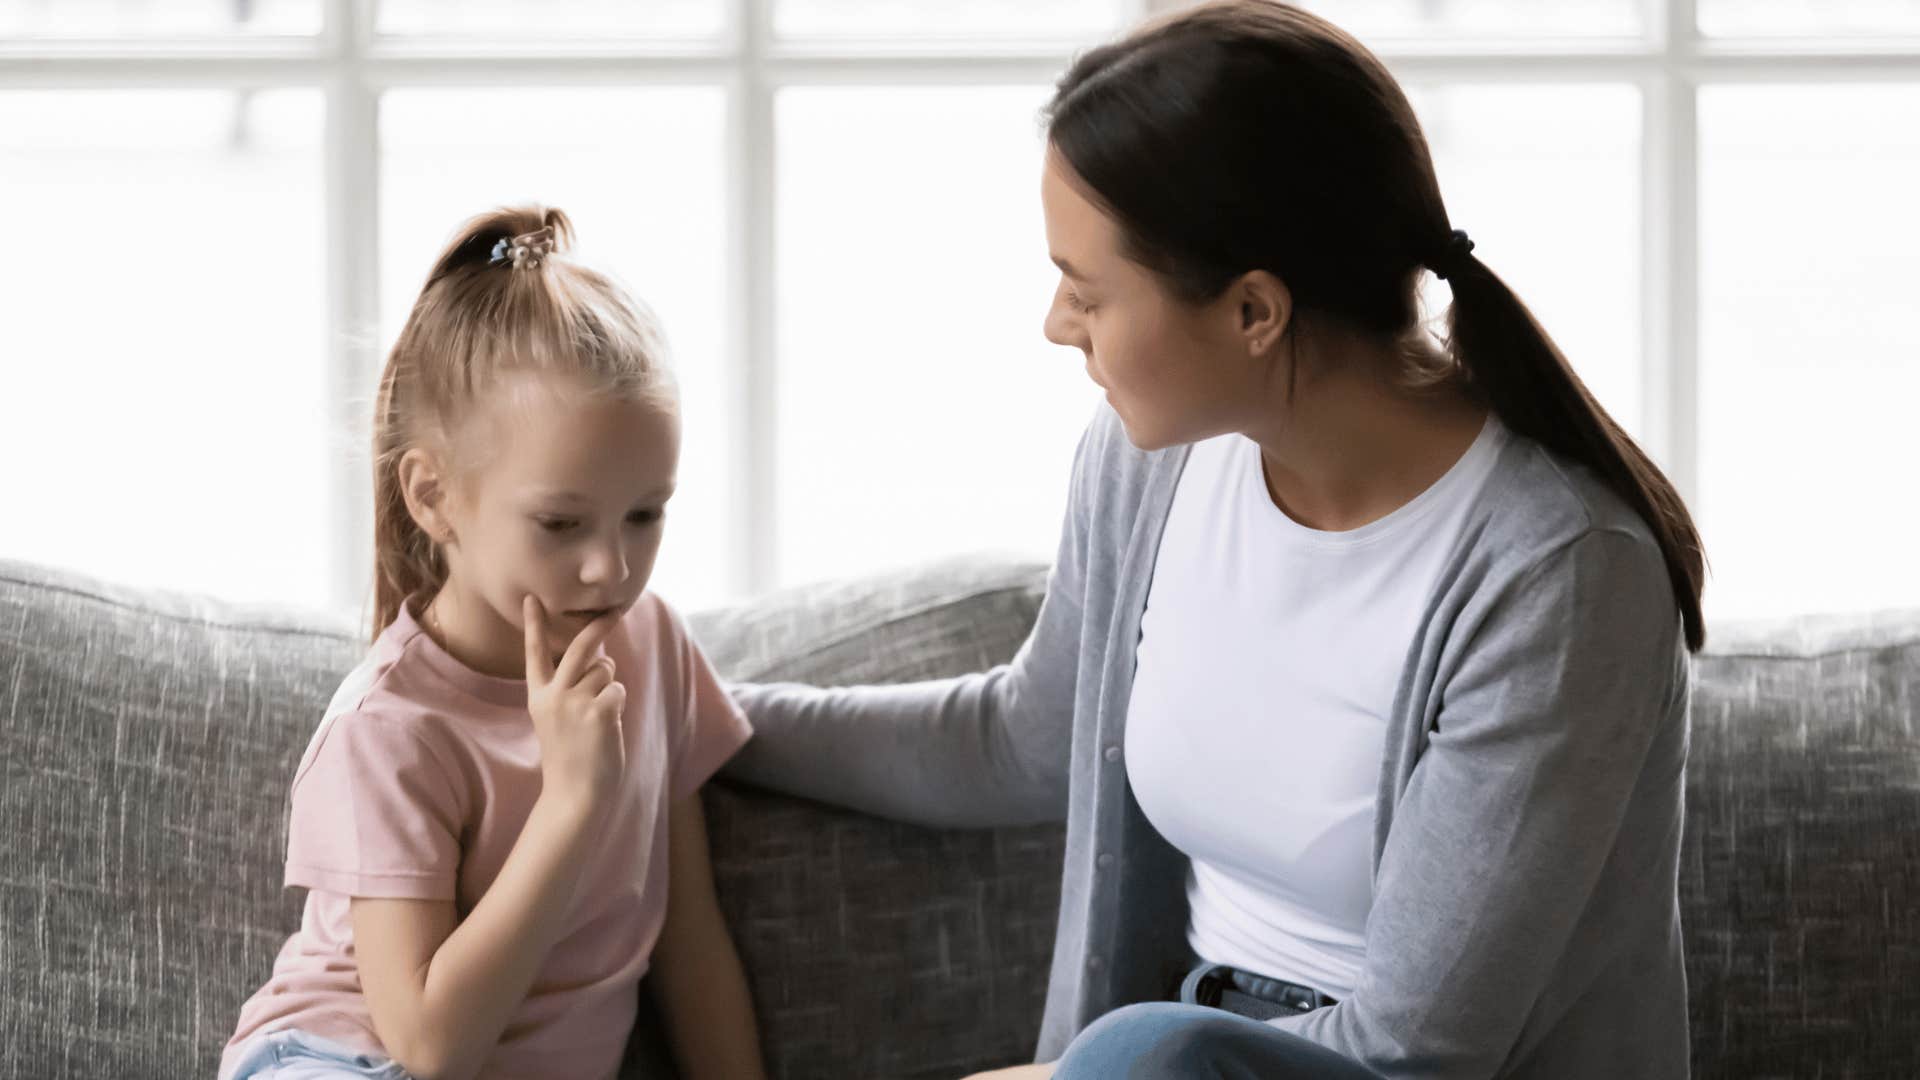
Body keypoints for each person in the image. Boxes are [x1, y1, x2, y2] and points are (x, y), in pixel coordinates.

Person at [721, 2, 1705, 1077]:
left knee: (1148, 1048)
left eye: (1087, 290)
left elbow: (1417, 1049)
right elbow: (1026, 739)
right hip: (1161, 1064)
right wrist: (702, 715)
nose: (1056, 322)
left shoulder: (1558, 577)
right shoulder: (1147, 464)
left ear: (1253, 312)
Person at [220, 207, 765, 1080]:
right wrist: (571, 802)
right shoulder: (388, 730)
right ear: (433, 497)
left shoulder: (651, 645)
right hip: (344, 1060)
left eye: (645, 514)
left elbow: (691, 942)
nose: (609, 568)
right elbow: (431, 1046)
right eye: (560, 523)